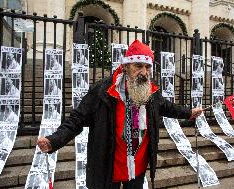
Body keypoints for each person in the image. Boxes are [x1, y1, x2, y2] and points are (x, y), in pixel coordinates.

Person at [37, 40, 203, 189]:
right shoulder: (103, 90)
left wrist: (189, 113)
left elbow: (167, 107)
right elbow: (77, 119)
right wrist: (54, 140)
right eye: (138, 66)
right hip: (109, 165)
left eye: (147, 67)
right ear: (125, 67)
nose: (144, 72)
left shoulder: (151, 91)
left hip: (137, 166)